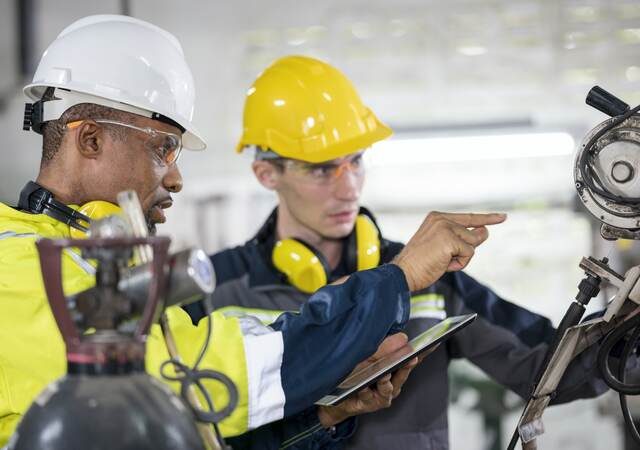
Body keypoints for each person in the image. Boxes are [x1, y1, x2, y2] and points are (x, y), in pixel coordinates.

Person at [0, 16, 505, 449]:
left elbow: (196, 429)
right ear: (89, 139)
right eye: (164, 148)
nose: (175, 178)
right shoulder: (15, 271)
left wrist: (323, 415)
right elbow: (220, 374)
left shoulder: (93, 266)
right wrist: (400, 276)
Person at [185, 55, 609, 450]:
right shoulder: (215, 291)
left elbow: (546, 368)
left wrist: (629, 322)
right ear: (266, 173)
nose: (349, 187)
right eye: (321, 169)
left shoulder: (431, 276)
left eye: (355, 161)